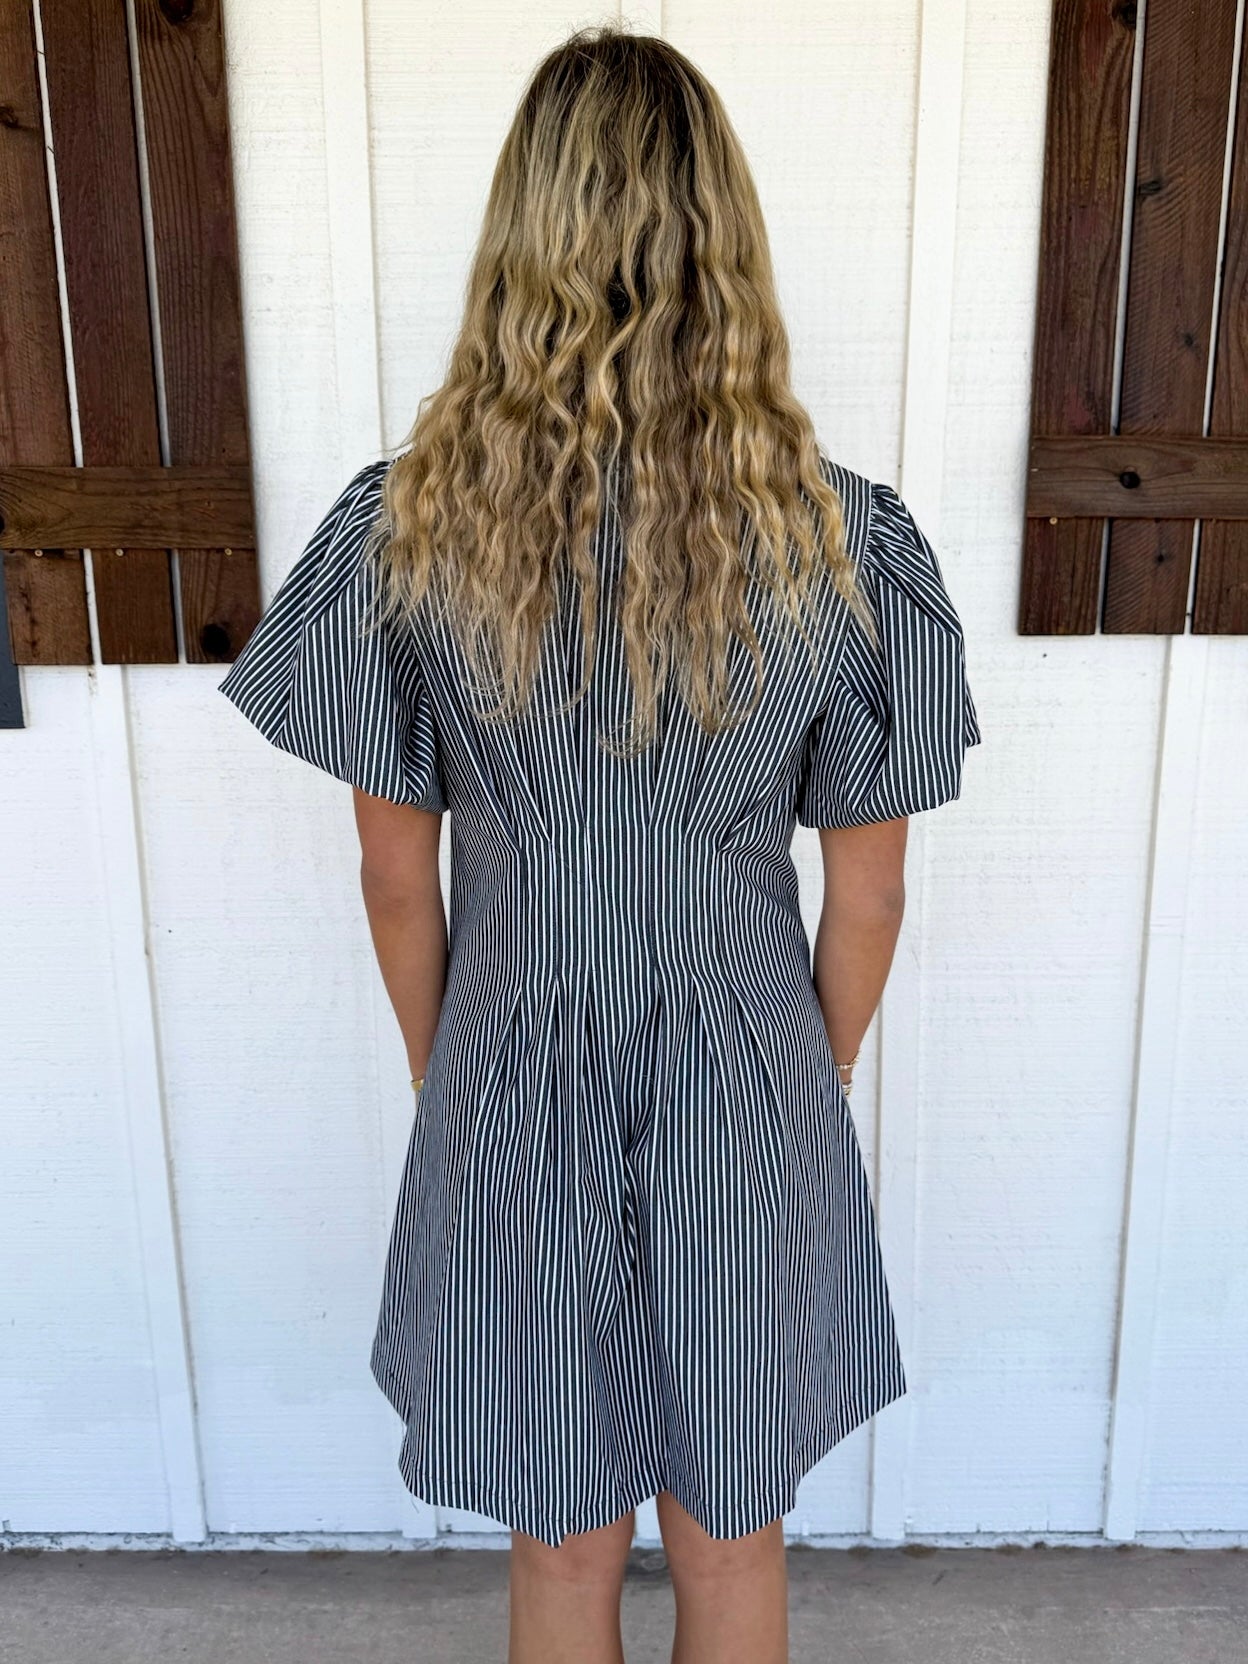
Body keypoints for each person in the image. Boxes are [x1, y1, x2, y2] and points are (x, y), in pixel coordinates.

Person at [219, 23, 981, 1664]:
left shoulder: (404, 531)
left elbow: (395, 879)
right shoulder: (844, 540)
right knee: (734, 1542)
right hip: (751, 1066)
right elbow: (870, 892)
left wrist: (447, 1067)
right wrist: (813, 1073)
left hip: (512, 1061)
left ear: (522, 240)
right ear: (728, 245)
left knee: (562, 1553)